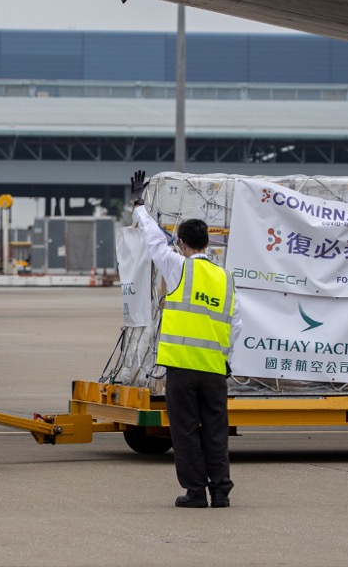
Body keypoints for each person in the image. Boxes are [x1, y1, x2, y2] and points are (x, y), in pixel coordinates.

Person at [130, 169, 242, 508]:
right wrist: (225, 360)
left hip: (181, 368)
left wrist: (138, 204)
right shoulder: (225, 278)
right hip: (213, 370)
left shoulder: (177, 266)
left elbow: (151, 239)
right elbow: (236, 324)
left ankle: (196, 492)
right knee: (215, 432)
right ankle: (220, 491)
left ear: (181, 243)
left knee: (186, 433)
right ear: (208, 242)